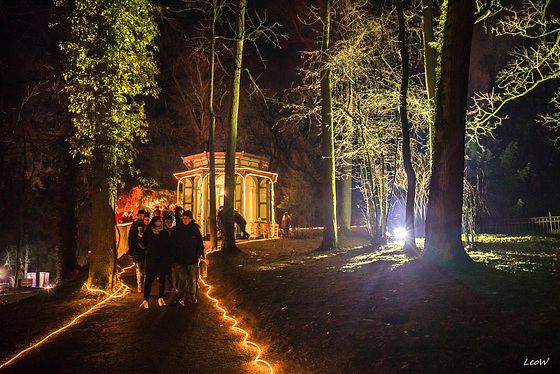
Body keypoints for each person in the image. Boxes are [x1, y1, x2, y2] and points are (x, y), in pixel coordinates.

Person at [170, 210, 205, 305]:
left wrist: (201, 253)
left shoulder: (194, 229)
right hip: (179, 259)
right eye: (184, 218)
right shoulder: (177, 229)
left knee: (192, 279)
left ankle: (192, 296)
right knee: (182, 278)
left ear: (190, 219)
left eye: (187, 219)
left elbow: (199, 243)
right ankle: (181, 296)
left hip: (192, 258)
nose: (185, 220)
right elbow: (172, 244)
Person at [139, 215, 173, 309]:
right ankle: (145, 299)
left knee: (162, 278)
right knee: (149, 279)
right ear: (154, 222)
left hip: (162, 258)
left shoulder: (164, 232)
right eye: (158, 221)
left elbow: (168, 244)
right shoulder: (149, 232)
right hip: (151, 258)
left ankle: (161, 298)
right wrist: (147, 250)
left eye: (161, 221)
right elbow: (143, 243)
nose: (160, 223)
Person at [128, 210, 147, 292]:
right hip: (137, 250)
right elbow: (131, 237)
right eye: (140, 215)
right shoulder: (134, 225)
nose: (141, 217)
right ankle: (140, 284)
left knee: (145, 269)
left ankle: (144, 285)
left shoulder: (148, 226)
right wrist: (131, 248)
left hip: (146, 251)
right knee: (139, 269)